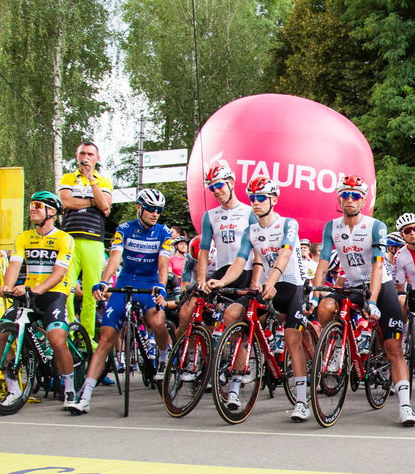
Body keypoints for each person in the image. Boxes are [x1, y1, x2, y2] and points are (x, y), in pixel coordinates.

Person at [208, 177, 312, 422]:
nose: (255, 202)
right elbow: (239, 262)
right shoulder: (251, 230)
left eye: (261, 197)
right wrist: (221, 282)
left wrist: (271, 280)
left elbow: (284, 255)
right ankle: (236, 384)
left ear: (273, 200)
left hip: (292, 285)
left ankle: (301, 400)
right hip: (269, 287)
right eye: (252, 197)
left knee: (291, 338)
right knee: (236, 315)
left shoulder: (288, 224)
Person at [313, 176, 412, 426]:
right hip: (353, 285)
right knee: (325, 306)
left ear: (364, 200)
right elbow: (324, 260)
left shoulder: (375, 225)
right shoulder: (331, 226)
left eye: (355, 195)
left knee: (393, 348)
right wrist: (315, 291)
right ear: (338, 198)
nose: (349, 199)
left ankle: (405, 405)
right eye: (345, 195)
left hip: (381, 283)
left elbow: (378, 265)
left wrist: (374, 300)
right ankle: (335, 345)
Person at [68, 189, 174, 415]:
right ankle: (85, 395)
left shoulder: (163, 232)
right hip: (125, 280)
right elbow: (115, 258)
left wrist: (162, 286)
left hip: (149, 281)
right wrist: (103, 282)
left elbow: (164, 263)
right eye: (151, 209)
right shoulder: (124, 229)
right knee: (106, 337)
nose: (156, 214)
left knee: (157, 321)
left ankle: (164, 358)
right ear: (139, 208)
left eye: (159, 210)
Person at [0, 192, 76, 407]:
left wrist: (37, 290)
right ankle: (13, 388)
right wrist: (8, 286)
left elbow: (59, 273)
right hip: (28, 293)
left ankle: (69, 390)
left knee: (57, 339)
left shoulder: (64, 238)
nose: (32, 209)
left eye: (38, 206)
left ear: (52, 212)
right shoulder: (23, 237)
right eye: (31, 205)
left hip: (53, 293)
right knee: (0, 336)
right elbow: (14, 264)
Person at [182, 165, 256, 335]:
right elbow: (204, 250)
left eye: (219, 185)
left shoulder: (249, 212)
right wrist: (201, 278)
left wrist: (256, 279)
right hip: (222, 271)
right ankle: (192, 354)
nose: (215, 191)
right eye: (211, 187)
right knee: (189, 310)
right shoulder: (210, 215)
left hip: (245, 271)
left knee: (236, 319)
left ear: (231, 183)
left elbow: (258, 248)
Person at [57, 141, 113, 338]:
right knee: (67, 288)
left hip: (94, 238)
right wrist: (92, 202)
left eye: (90, 154)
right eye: (82, 153)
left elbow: (105, 204)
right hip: (69, 238)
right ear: (76, 156)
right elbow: (64, 202)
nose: (85, 157)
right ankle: (69, 334)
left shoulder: (103, 180)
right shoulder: (67, 177)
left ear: (97, 158)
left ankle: (87, 337)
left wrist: (91, 179)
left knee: (92, 291)